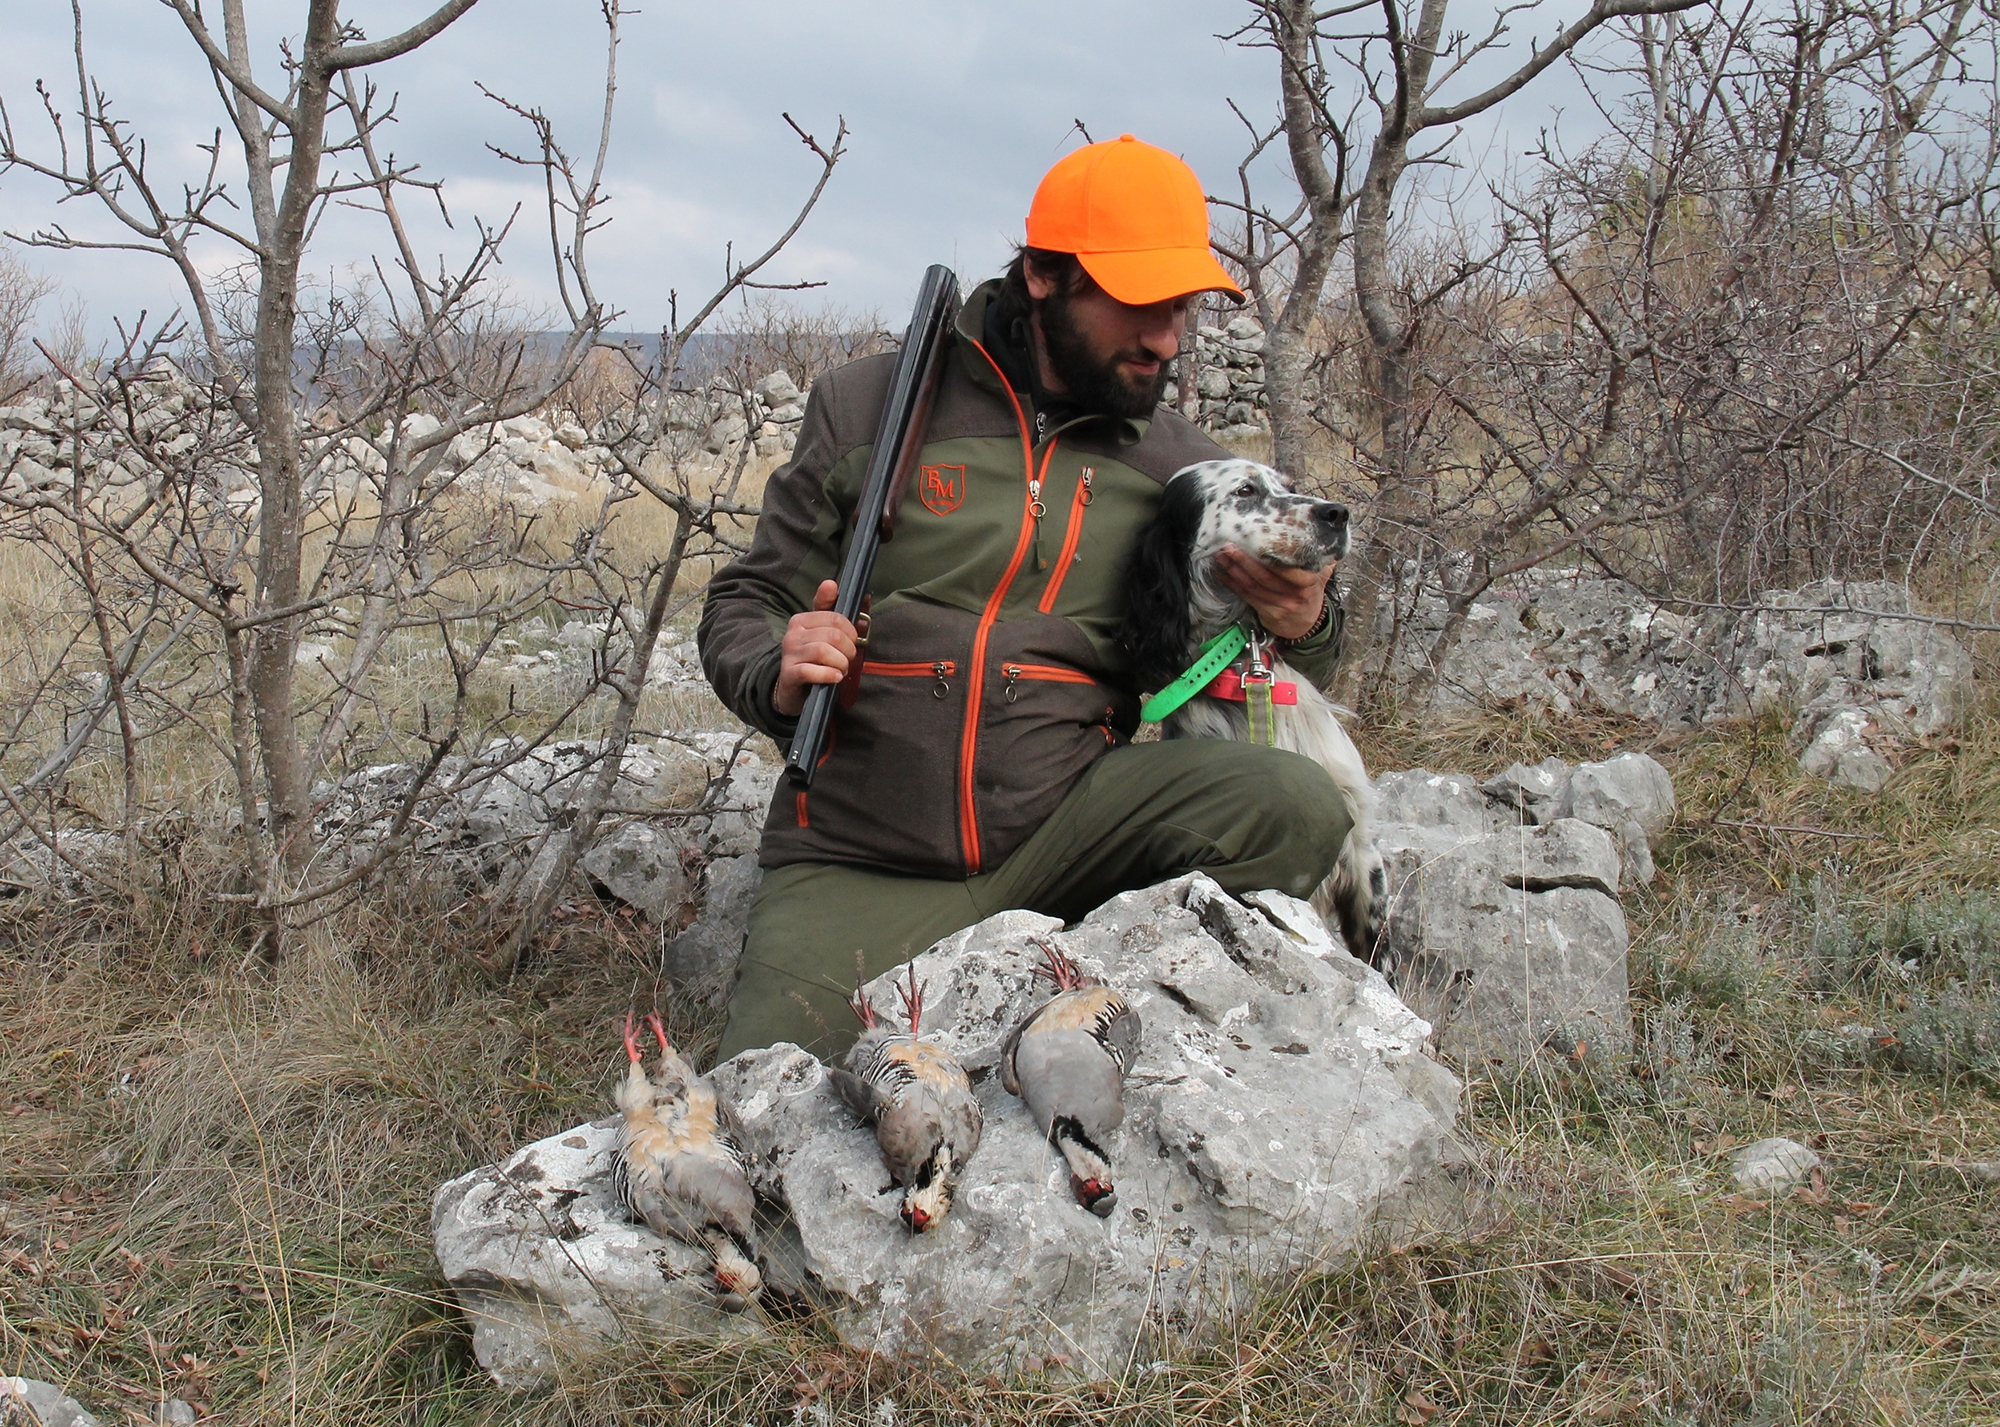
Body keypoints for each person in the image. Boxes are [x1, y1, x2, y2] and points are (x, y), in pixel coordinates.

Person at [698, 134, 1351, 1059]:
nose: (1167, 338)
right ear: (1045, 277)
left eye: (1180, 308)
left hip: (1071, 827)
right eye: (1138, 305)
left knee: (1296, 804)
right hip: (861, 849)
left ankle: (1092, 961)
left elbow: (1297, 636)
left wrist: (1308, 620)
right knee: (767, 1081)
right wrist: (777, 665)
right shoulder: (868, 405)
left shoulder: (1182, 465)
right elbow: (746, 601)